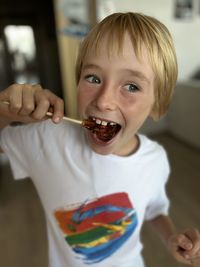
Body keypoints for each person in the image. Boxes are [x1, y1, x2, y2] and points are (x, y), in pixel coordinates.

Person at [0, 12, 199, 267]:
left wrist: (172, 237)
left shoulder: (155, 159)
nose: (103, 101)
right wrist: (3, 110)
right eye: (93, 78)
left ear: (157, 105)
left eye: (131, 86)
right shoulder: (47, 138)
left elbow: (154, 209)